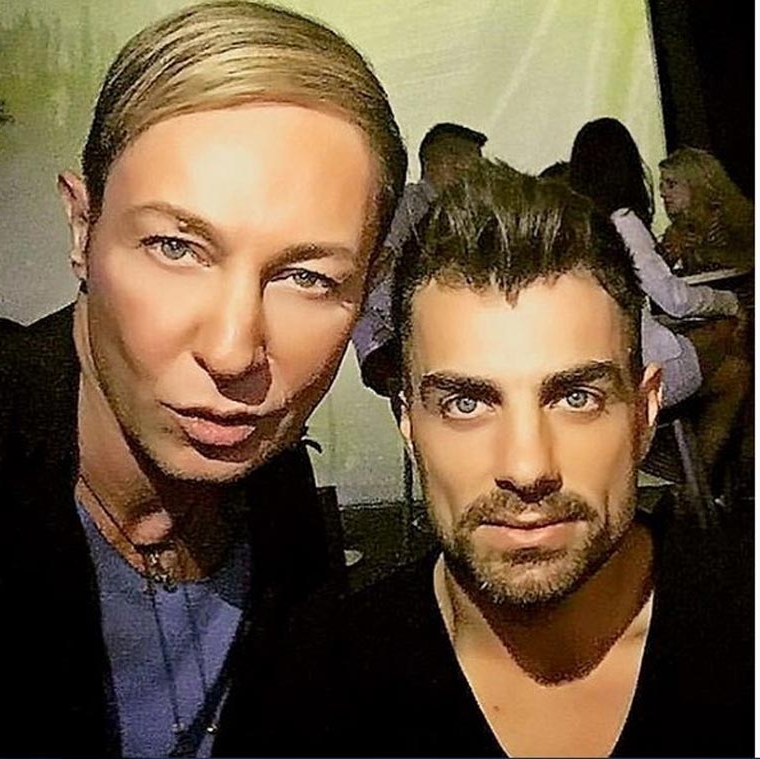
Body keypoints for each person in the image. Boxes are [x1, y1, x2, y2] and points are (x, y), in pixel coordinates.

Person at [0, 2, 406, 756]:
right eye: (176, 247)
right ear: (82, 229)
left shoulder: (282, 511)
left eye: (308, 276)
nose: (233, 350)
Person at [247, 162, 752, 758]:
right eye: (466, 403)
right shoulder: (319, 690)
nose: (527, 467)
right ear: (409, 425)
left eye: (576, 398)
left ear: (644, 414)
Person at [569, 118, 749, 488]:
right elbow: (674, 299)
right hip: (636, 367)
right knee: (737, 352)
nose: (664, 193)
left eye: (672, 184)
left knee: (734, 369)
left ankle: (692, 487)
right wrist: (730, 302)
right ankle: (696, 486)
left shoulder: (576, 222)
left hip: (601, 365)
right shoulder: (623, 221)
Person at [353, 122, 488, 396]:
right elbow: (381, 260)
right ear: (440, 161)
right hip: (393, 338)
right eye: (464, 160)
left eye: (476, 163)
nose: (472, 170)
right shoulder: (408, 203)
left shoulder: (472, 216)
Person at [659, 147, 754, 274]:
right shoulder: (676, 231)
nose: (663, 193)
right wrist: (669, 254)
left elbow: (748, 261)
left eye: (671, 184)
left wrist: (703, 253)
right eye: (662, 185)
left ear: (697, 184)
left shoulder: (738, 219)